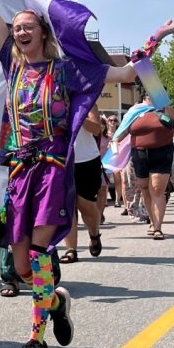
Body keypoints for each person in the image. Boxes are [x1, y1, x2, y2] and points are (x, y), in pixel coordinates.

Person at [0, 0, 150, 348]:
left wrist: (152, 47)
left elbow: (121, 73)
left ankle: (36, 341)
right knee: (22, 267)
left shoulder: (65, 71)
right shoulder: (12, 65)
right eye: (17, 27)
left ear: (43, 32)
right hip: (20, 174)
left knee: (40, 255)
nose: (20, 31)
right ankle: (57, 302)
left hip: (52, 171)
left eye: (28, 26)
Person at [128, 95, 174, 239]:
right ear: (145, 96)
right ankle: (153, 221)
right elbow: (123, 131)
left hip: (163, 153)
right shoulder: (135, 111)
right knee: (145, 188)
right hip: (140, 153)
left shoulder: (167, 111)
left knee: (156, 189)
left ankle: (157, 227)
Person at [62, 105, 107, 261]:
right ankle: (70, 249)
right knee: (67, 204)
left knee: (85, 205)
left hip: (86, 160)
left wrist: (78, 117)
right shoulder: (52, 101)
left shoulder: (86, 102)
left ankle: (94, 233)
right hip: (62, 160)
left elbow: (96, 129)